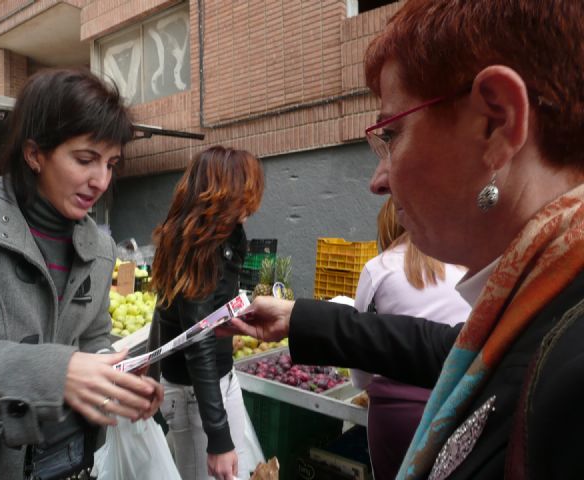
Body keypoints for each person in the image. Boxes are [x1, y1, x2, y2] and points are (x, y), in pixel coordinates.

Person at [224, 1, 584, 478]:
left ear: (495, 122)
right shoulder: (542, 301)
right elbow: (445, 347)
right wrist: (298, 317)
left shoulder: (572, 368)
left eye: (391, 134)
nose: (378, 181)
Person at [0, 68, 163, 479]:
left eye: (111, 164)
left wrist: (116, 377)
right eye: (85, 159)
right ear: (34, 154)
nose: (101, 181)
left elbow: (94, 336)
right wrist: (55, 372)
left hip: (70, 460)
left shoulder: (98, 247)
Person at [147, 145, 265, 480]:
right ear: (225, 192)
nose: (253, 202)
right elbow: (197, 343)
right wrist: (218, 438)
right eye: (247, 190)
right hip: (194, 392)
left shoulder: (224, 237)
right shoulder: (198, 248)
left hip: (219, 381)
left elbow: (208, 315)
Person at [352, 196, 470, 480]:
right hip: (461, 404)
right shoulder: (464, 268)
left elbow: (358, 364)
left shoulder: (378, 269)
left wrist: (366, 384)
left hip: (397, 413)